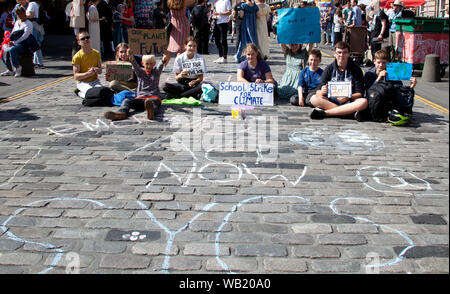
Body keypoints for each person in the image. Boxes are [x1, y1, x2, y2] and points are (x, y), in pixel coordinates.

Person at [308, 41, 367, 120]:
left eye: (344, 53)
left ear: (349, 54)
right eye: (339, 53)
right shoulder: (329, 68)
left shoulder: (356, 69)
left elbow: (360, 93)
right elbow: (318, 91)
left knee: (363, 102)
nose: (341, 55)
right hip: (332, 101)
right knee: (314, 98)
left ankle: (326, 113)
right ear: (335, 54)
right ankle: (347, 113)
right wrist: (322, 91)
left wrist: (348, 97)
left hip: (349, 101)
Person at [104, 50, 167, 121]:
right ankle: (121, 113)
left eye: (151, 64)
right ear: (143, 63)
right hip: (140, 98)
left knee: (154, 104)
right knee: (127, 101)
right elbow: (135, 65)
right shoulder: (140, 72)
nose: (149, 66)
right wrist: (131, 58)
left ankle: (151, 113)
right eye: (147, 64)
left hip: (153, 97)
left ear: (154, 64)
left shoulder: (156, 72)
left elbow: (160, 66)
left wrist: (163, 60)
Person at [0, 6, 36, 77]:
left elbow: (25, 36)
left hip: (25, 44)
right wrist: (9, 41)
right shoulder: (17, 22)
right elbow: (13, 32)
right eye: (18, 14)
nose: (20, 15)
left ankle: (17, 67)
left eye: (21, 14)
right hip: (14, 42)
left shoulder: (28, 23)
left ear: (24, 13)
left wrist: (14, 43)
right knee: (3, 50)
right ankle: (10, 69)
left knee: (12, 50)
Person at [163, 0, 195, 67]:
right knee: (181, 47)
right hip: (183, 24)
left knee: (170, 47)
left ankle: (162, 65)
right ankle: (179, 66)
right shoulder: (184, 2)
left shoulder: (169, 2)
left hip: (174, 24)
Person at [72, 30, 103, 98]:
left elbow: (100, 71)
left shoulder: (96, 53)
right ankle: (79, 92)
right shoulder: (77, 57)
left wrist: (96, 69)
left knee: (101, 93)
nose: (86, 39)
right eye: (83, 39)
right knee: (90, 94)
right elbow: (76, 76)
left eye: (87, 37)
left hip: (95, 81)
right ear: (79, 42)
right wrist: (87, 74)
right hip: (83, 82)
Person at [26, 0, 45, 68]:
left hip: (34, 26)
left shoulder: (31, 4)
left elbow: (31, 15)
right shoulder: (36, 4)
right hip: (38, 25)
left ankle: (39, 63)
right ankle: (36, 62)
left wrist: (22, 15)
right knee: (37, 44)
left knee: (35, 44)